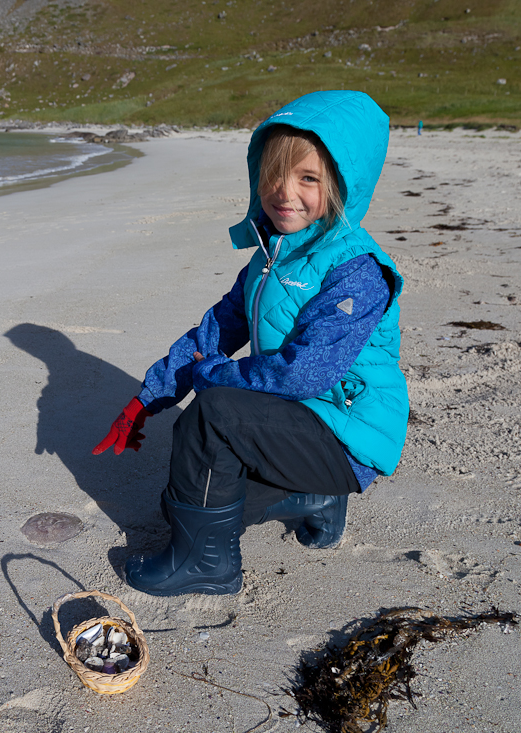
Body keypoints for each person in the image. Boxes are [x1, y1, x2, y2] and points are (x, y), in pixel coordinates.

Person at [92, 90, 409, 597]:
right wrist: (148, 397)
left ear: (345, 185)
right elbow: (214, 332)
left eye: (308, 179)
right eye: (272, 176)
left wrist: (212, 376)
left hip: (347, 433)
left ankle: (208, 565)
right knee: (177, 503)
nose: (285, 192)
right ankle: (317, 499)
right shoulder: (270, 257)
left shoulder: (357, 272)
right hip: (297, 419)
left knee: (215, 413)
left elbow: (304, 374)